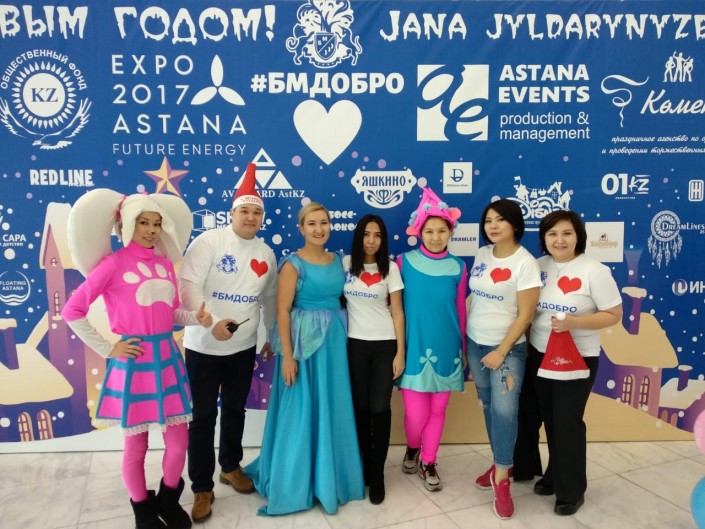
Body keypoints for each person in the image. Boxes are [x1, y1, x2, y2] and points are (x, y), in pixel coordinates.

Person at [62, 189, 211, 529]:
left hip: (168, 359)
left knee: (179, 443)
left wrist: (195, 318)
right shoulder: (112, 264)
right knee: (136, 446)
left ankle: (168, 500)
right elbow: (72, 310)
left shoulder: (165, 264)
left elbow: (171, 313)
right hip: (134, 363)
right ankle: (142, 511)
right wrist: (107, 348)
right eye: (144, 222)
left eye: (157, 224)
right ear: (126, 225)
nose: (151, 230)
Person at [245, 202, 365, 515]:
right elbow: (283, 311)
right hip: (303, 345)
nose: (319, 229)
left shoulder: (339, 260)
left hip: (334, 343)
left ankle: (330, 477)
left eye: (324, 223)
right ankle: (295, 482)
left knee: (331, 406)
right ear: (301, 228)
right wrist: (288, 356)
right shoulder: (292, 264)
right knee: (300, 409)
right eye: (312, 224)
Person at [177, 163, 277, 522]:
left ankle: (230, 467)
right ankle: (202, 487)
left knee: (235, 409)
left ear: (262, 217)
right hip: (203, 347)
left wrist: (271, 335)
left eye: (256, 213)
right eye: (244, 211)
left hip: (243, 348)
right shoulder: (209, 242)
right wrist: (213, 323)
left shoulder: (266, 254)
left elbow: (269, 298)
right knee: (203, 416)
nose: (250, 217)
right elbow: (188, 284)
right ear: (231, 213)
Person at [524, 210, 622, 516]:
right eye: (552, 234)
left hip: (577, 358)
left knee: (567, 421)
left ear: (578, 236)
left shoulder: (595, 271)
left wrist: (574, 323)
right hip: (539, 354)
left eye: (567, 233)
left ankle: (572, 491)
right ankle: (554, 475)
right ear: (544, 238)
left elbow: (614, 314)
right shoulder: (537, 266)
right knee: (549, 418)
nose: (559, 240)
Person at [466, 199, 541, 520]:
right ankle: (501, 464)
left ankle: (501, 479)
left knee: (506, 411)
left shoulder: (525, 263)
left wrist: (501, 350)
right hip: (475, 343)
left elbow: (526, 314)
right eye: (488, 221)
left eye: (500, 220)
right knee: (488, 406)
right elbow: (474, 298)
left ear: (515, 224)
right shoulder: (483, 254)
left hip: (507, 350)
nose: (493, 226)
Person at [397, 187, 466, 492]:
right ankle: (413, 447)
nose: (436, 237)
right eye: (429, 231)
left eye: (441, 231)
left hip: (448, 348)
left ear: (450, 231)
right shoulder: (403, 262)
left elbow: (460, 309)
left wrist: (463, 347)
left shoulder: (459, 266)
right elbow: (395, 309)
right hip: (413, 348)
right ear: (419, 232)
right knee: (416, 414)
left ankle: (429, 461)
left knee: (438, 411)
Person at [343, 214, 405, 505]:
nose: (371, 241)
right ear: (359, 237)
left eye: (377, 235)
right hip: (354, 345)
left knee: (380, 409)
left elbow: (398, 312)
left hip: (384, 346)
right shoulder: (345, 265)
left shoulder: (390, 268)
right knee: (360, 409)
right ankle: (364, 465)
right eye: (366, 234)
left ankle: (377, 473)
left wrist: (400, 352)